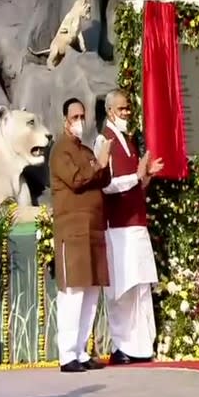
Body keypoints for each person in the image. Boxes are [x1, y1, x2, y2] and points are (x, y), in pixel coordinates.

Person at [93, 89, 164, 365]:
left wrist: (146, 176)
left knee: (140, 286)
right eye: (122, 109)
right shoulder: (104, 140)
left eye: (128, 109)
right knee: (122, 289)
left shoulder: (130, 141)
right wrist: (135, 176)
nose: (127, 114)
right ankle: (123, 346)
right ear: (110, 111)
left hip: (137, 224)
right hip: (118, 228)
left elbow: (135, 185)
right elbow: (106, 184)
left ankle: (142, 346)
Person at [50, 97, 113, 372]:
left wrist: (102, 161)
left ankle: (81, 351)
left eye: (82, 116)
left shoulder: (87, 150)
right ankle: (67, 355)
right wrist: (97, 165)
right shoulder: (60, 151)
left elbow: (103, 179)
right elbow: (76, 180)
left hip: (93, 229)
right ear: (65, 120)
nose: (79, 121)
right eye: (74, 117)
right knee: (74, 291)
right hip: (72, 231)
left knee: (90, 291)